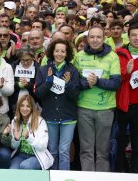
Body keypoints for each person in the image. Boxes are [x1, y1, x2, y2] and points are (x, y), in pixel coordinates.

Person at [73, 25, 121, 172]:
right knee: (86, 150)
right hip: (84, 108)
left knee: (103, 152)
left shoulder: (112, 56)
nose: (95, 40)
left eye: (98, 37)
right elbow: (74, 83)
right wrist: (87, 83)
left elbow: (116, 83)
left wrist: (97, 81)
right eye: (92, 37)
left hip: (105, 109)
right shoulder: (79, 56)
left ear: (104, 38)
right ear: (87, 39)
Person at [34, 39, 80, 170]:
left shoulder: (73, 70)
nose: (59, 54)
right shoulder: (43, 70)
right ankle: (53, 176)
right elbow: (38, 94)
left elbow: (75, 94)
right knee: (52, 150)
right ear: (52, 52)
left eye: (63, 51)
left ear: (67, 53)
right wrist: (48, 81)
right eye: (57, 51)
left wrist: (68, 83)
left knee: (64, 151)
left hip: (68, 117)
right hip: (50, 116)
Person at [115, 22, 138, 173]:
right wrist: (126, 72)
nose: (137, 38)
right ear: (128, 37)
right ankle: (120, 172)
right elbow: (115, 78)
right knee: (120, 142)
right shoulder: (119, 53)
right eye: (134, 35)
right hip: (124, 103)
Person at [9, 95, 53, 170]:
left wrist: (28, 137)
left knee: (25, 166)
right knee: (12, 170)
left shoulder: (40, 121)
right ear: (19, 107)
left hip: (37, 156)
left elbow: (43, 145)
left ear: (32, 108)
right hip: (21, 155)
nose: (24, 109)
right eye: (22, 106)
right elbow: (14, 146)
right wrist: (16, 139)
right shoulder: (15, 121)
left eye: (28, 106)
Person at [10, 45, 39, 116]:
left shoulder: (38, 68)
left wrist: (28, 85)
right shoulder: (13, 66)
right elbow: (9, 84)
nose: (25, 62)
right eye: (23, 60)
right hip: (15, 102)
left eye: (28, 60)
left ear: (33, 57)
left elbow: (39, 87)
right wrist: (18, 84)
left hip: (33, 103)